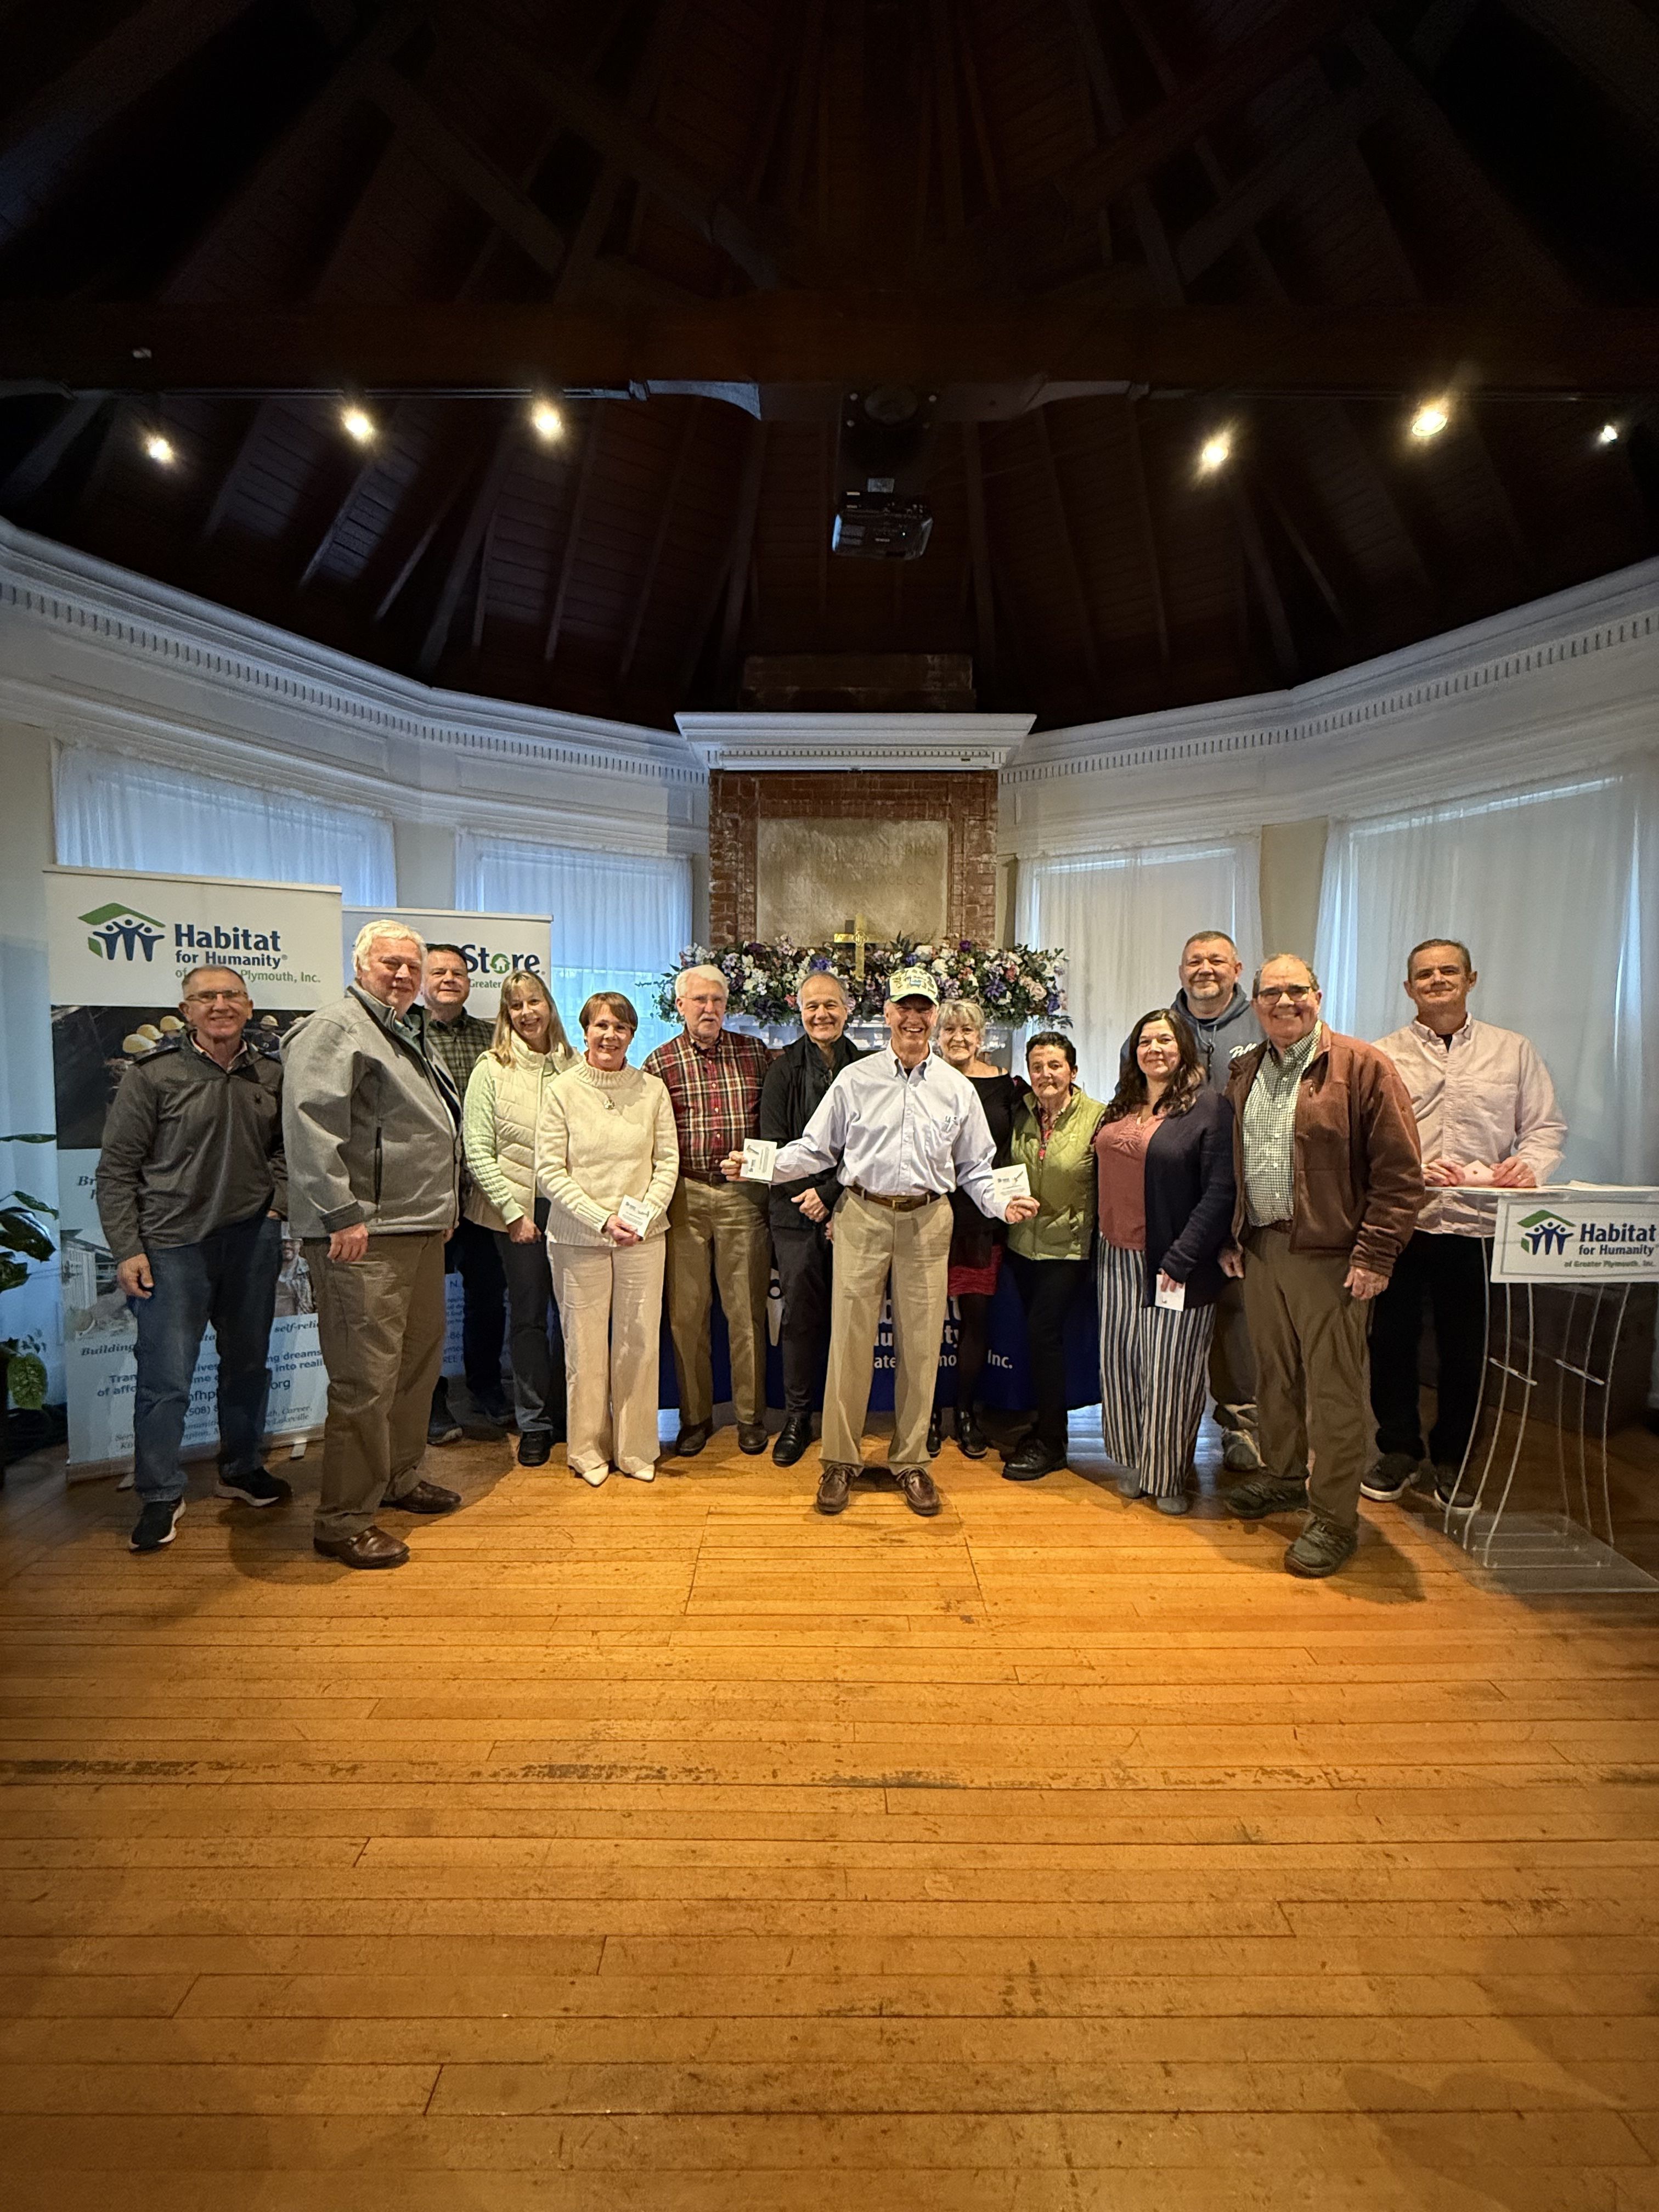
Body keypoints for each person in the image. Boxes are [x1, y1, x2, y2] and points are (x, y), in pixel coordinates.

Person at [725, 968, 1038, 1519]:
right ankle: (840, 1461)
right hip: (861, 1214)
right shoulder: (857, 1080)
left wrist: (1000, 1204)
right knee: (849, 1341)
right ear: (887, 1014)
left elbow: (977, 1170)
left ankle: (911, 1460)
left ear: (934, 1015)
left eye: (923, 1010)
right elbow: (815, 1150)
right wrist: (760, 1165)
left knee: (920, 1343)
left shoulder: (956, 1089)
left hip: (928, 1219)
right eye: (903, 1009)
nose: (913, 1020)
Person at [1221, 956, 1423, 1578]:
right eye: (1271, 992)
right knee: (1274, 1378)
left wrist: (1376, 1253)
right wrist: (1233, 1234)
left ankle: (1335, 1518)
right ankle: (1283, 1477)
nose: (1285, 1001)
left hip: (1332, 1257)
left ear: (1318, 995)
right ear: (1254, 1003)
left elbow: (1400, 1173)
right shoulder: (1245, 1069)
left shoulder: (1363, 1068)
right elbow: (1234, 1160)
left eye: (1296, 990)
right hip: (1262, 1248)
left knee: (1334, 1391)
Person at [283, 920, 464, 1570]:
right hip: (364, 1237)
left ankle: (400, 1477)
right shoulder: (336, 1029)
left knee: (417, 1365)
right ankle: (344, 1519)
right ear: (360, 965)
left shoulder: (403, 1030)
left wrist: (443, 1208)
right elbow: (309, 1126)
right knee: (365, 1378)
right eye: (390, 964)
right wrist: (340, 1214)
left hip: (418, 1227)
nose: (404, 975)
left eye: (411, 966)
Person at [95, 966, 289, 1554]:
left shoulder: (272, 1073)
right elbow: (116, 1170)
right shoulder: (153, 1076)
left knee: (248, 1365)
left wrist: (277, 1208)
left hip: (251, 1242)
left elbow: (284, 1150)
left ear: (249, 1006)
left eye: (231, 995)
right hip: (171, 1247)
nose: (220, 1005)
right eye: (206, 997)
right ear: (186, 1010)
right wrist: (127, 1247)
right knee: (166, 1380)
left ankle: (241, 1467)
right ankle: (160, 1493)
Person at [1365, 938, 1566, 1506]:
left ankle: (1453, 1458)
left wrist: (1528, 1167)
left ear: (1471, 979)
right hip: (1406, 1220)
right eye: (1424, 975)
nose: (1436, 981)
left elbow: (1546, 1127)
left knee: (1467, 1348)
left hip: (1480, 1227)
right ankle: (1399, 1448)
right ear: (1408, 988)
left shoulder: (1514, 1051)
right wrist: (1412, 1166)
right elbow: (1368, 1137)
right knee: (1392, 1342)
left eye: (1448, 971)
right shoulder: (1383, 1056)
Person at [1093, 1011, 1236, 1511]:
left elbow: (1220, 1191)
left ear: (1185, 1048)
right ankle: (1135, 1460)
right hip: (1115, 1256)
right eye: (1145, 1040)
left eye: (1165, 1039)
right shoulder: (1120, 1106)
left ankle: (1168, 1473)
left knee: (1171, 1371)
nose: (1154, 1048)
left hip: (1174, 1263)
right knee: (1124, 1365)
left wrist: (1183, 1256)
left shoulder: (1208, 1109)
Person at [538, 992, 679, 1486]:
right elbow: (549, 1172)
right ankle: (586, 1450)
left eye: (620, 1028)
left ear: (632, 1036)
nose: (610, 1036)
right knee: (585, 1349)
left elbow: (667, 1163)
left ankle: (637, 1449)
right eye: (601, 1026)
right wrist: (600, 1219)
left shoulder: (652, 1091)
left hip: (643, 1238)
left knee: (638, 1345)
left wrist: (644, 1217)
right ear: (584, 1031)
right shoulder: (561, 1091)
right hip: (579, 1238)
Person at [644, 965, 774, 1458]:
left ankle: (749, 1416)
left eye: (718, 1000)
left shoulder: (755, 1055)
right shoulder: (660, 1064)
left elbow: (775, 1123)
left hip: (744, 1198)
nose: (709, 1009)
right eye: (699, 1000)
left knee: (746, 1313)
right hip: (686, 1196)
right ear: (680, 1006)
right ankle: (695, 1417)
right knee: (687, 1315)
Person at [462, 971, 577, 1467]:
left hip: (572, 1212)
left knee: (574, 1319)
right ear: (506, 1016)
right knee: (529, 1319)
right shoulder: (491, 1068)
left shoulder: (576, 1066)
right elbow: (478, 1151)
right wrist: (513, 1214)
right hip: (517, 1216)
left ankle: (572, 1413)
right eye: (516, 1006)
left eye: (535, 1002)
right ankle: (534, 1421)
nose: (527, 1012)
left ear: (549, 1006)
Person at [760, 967, 867, 1467]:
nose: (821, 1015)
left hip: (852, 1208)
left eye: (831, 1006)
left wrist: (829, 1193)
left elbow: (869, 1145)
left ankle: (844, 1418)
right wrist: (808, 1194)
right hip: (793, 1212)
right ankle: (798, 1418)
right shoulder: (782, 1070)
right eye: (811, 1007)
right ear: (798, 1012)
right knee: (801, 1318)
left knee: (851, 1320)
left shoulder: (867, 1069)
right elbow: (774, 1142)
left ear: (848, 1009)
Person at [1001, 1031, 1104, 1480]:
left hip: (1070, 1250)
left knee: (1046, 1336)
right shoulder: (1020, 1113)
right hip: (1022, 1246)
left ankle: (1053, 1442)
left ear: (1073, 1072)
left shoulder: (1099, 1119)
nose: (1046, 1075)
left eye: (1055, 1066)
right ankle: (1040, 1426)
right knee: (1034, 1340)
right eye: (1038, 1067)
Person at [422, 943, 510, 1443]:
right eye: (439, 971)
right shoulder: (406, 1035)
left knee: (486, 1296)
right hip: (429, 1191)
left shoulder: (490, 1038)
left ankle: (484, 1385)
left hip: (483, 1193)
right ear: (423, 981)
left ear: (470, 982)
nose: (449, 979)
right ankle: (431, 1399)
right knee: (426, 1304)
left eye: (458, 972)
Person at [930, 998, 1024, 1459]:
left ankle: (965, 1412)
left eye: (967, 1030)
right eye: (949, 1030)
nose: (958, 1038)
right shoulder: (923, 1079)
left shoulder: (1007, 1088)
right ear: (937, 1035)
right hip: (926, 1215)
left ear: (982, 1036)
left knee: (976, 1320)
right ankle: (926, 1413)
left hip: (981, 1220)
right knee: (922, 1321)